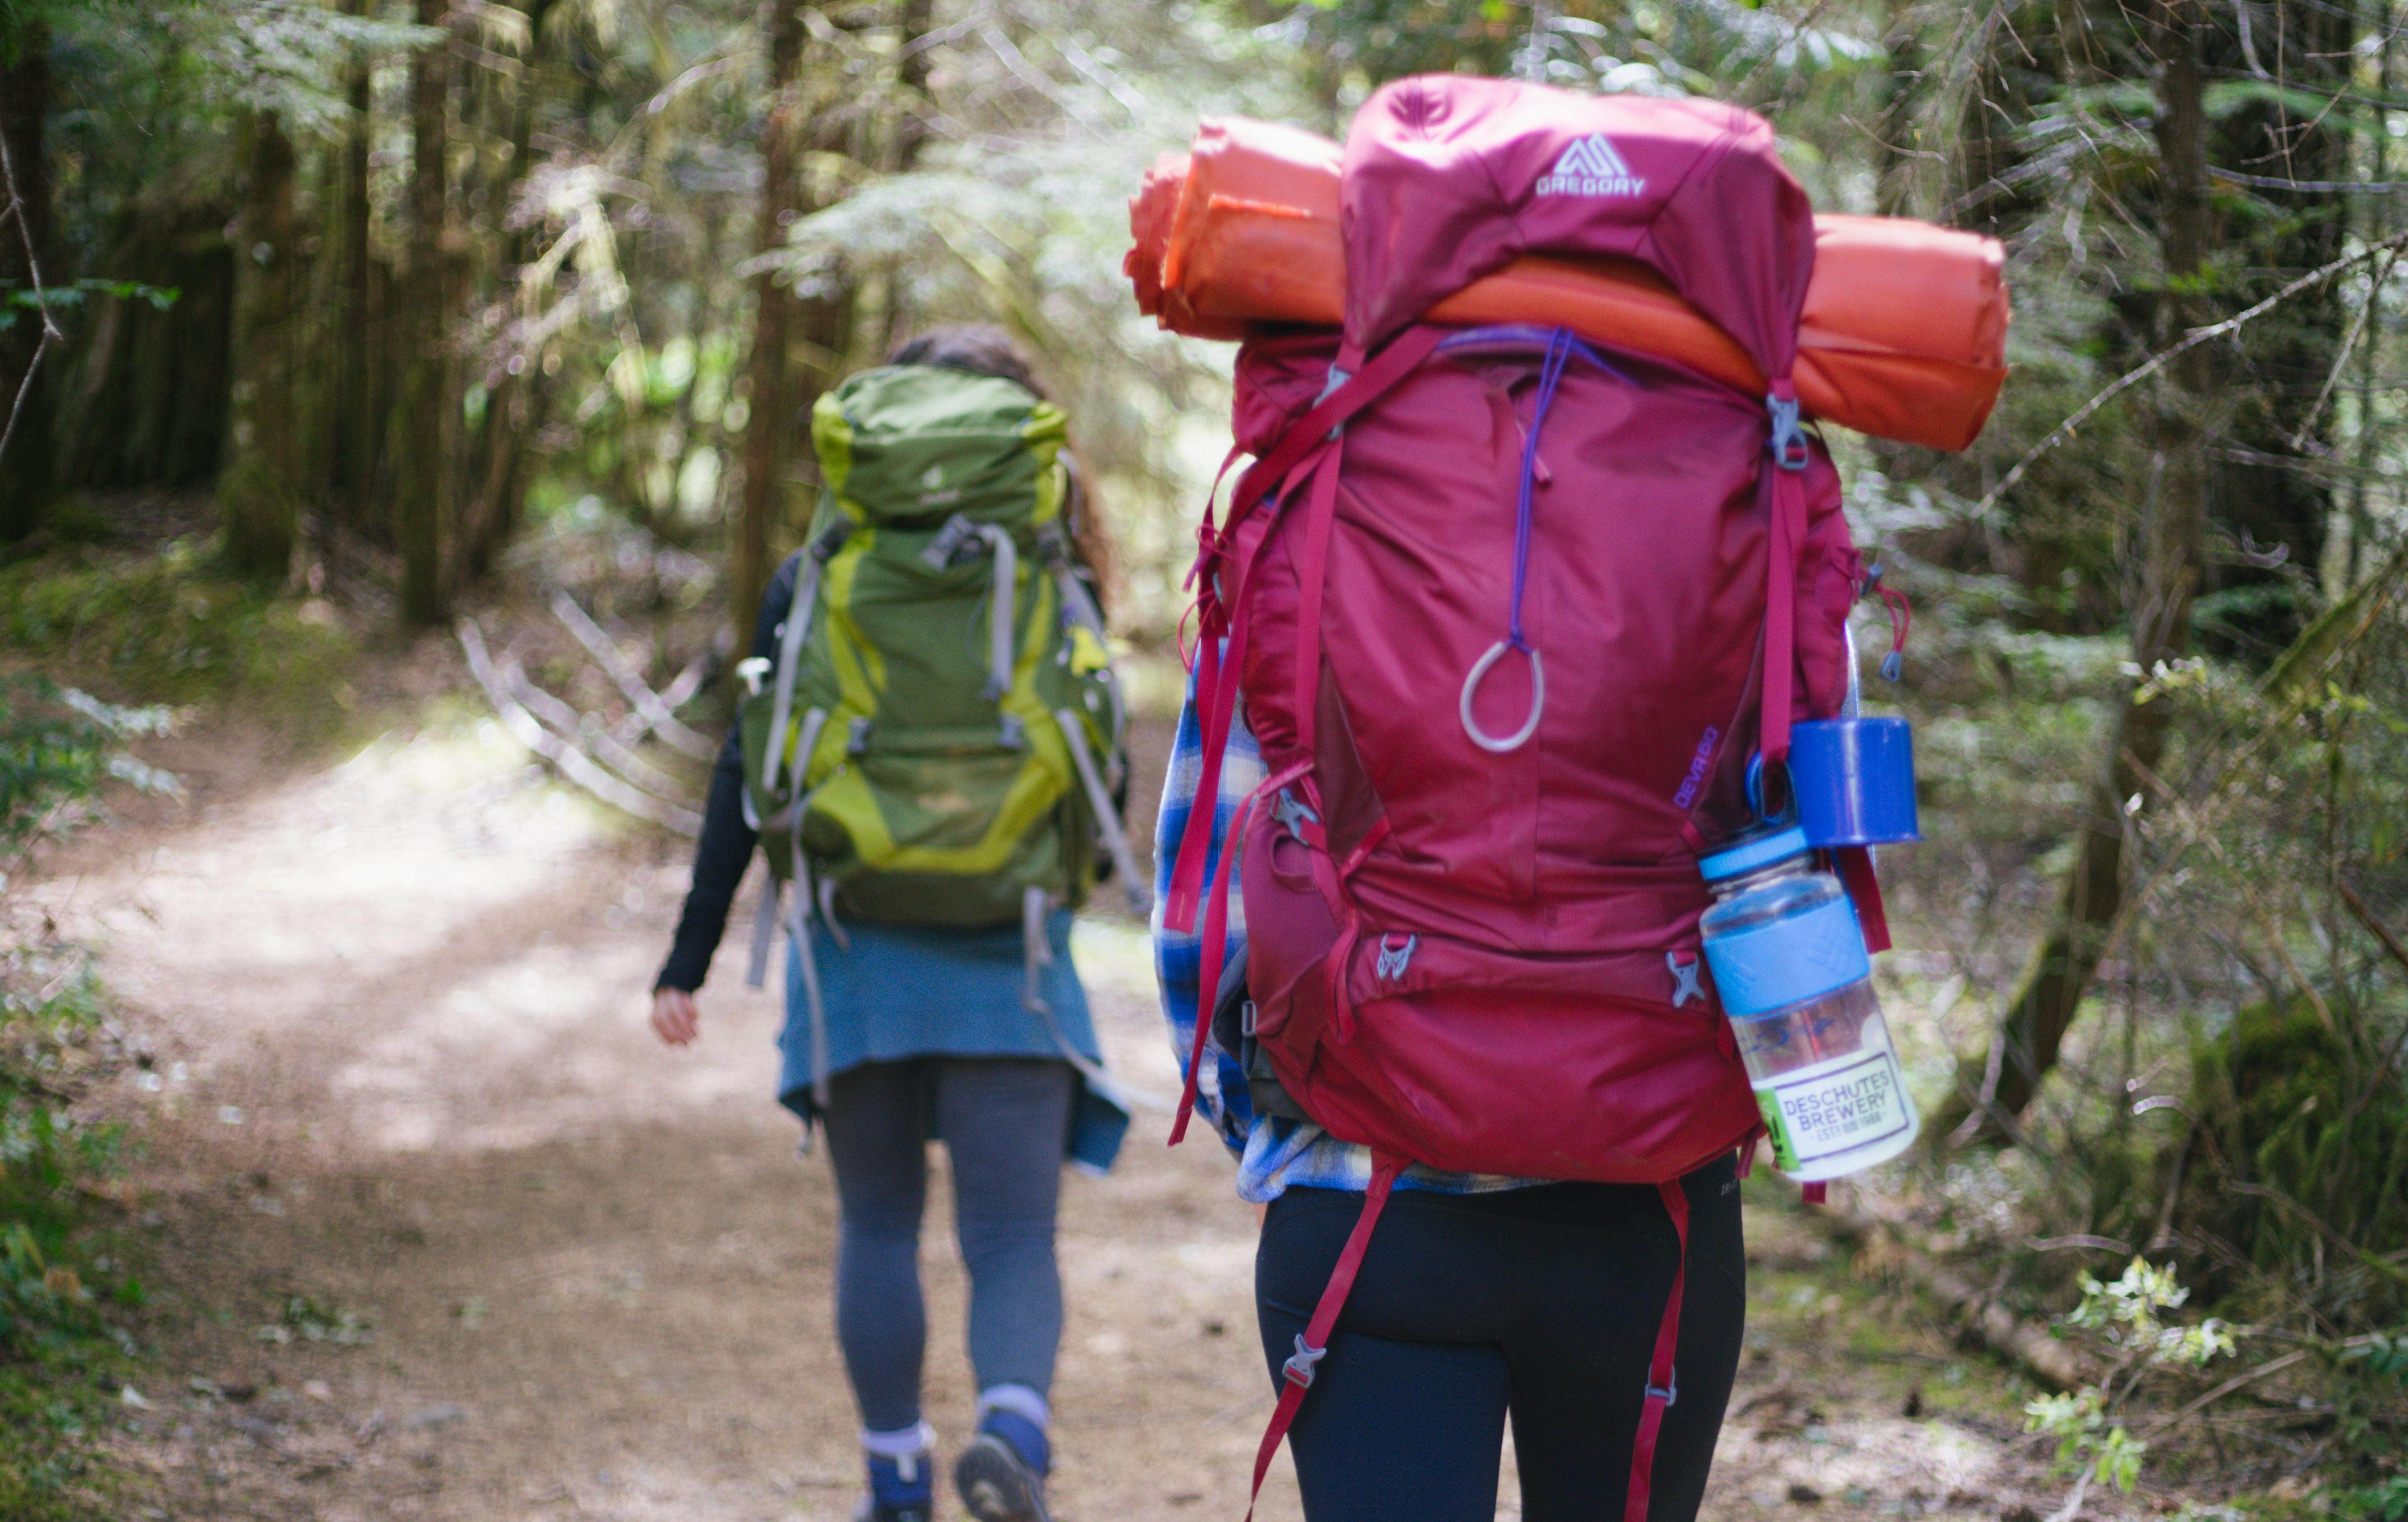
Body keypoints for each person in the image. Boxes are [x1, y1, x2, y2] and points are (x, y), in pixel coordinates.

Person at [653, 326, 1128, 1522]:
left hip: (855, 947)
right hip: (1011, 949)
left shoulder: (822, 570)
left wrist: (690, 955)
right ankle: (1015, 1430)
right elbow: (1103, 768)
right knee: (1013, 1239)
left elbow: (746, 771)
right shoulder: (1051, 562)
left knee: (878, 1224)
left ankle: (898, 1481)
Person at [1154, 678, 1745, 1522]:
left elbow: (1200, 915)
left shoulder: (1301, 543)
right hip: (1653, 1211)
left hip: (1365, 1201)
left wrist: (1272, 1128)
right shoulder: (1729, 542)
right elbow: (1802, 843)